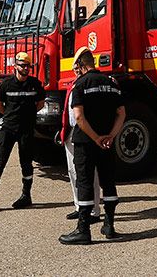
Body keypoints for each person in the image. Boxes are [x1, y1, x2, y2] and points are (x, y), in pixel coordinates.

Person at [59, 49, 125, 245]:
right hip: (107, 143)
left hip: (86, 143)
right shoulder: (112, 84)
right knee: (108, 182)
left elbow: (78, 117)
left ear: (80, 64)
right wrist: (110, 136)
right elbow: (121, 113)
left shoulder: (80, 84)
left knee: (85, 183)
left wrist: (95, 138)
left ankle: (83, 230)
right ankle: (109, 226)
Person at [0, 52, 44, 213]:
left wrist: (28, 117)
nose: (25, 68)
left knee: (26, 164)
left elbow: (41, 104)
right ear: (15, 65)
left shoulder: (35, 84)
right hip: (8, 129)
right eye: (22, 65)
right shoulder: (6, 84)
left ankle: (26, 195)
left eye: (27, 66)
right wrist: (10, 117)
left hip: (27, 130)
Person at [60, 47, 101, 224]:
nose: (76, 70)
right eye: (74, 68)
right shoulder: (74, 85)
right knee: (73, 172)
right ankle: (79, 206)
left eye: (77, 67)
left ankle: (94, 210)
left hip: (84, 133)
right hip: (71, 133)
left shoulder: (87, 84)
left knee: (90, 174)